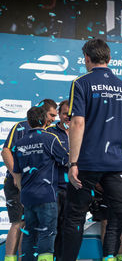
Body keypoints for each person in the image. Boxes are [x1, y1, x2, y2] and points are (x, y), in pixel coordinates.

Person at [63, 38, 122, 261]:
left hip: (87, 161)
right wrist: (118, 151)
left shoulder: (81, 83)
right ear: (109, 59)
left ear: (87, 59)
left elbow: (77, 123)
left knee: (75, 216)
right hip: (116, 162)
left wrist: (73, 162)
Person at [1, 99, 57, 261]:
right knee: (18, 222)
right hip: (17, 185)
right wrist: (17, 177)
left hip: (38, 188)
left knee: (29, 226)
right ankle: (10, 258)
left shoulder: (50, 132)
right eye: (52, 115)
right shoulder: (21, 126)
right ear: (43, 112)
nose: (54, 118)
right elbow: (6, 151)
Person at [13, 106, 69, 261]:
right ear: (45, 120)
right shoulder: (50, 138)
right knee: (47, 232)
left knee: (30, 233)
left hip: (27, 197)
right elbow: (66, 160)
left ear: (29, 122)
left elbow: (16, 173)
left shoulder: (19, 143)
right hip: (46, 194)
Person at [44, 99, 70, 260]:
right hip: (54, 189)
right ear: (59, 114)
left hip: (74, 190)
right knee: (51, 229)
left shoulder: (82, 131)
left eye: (71, 114)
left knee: (68, 231)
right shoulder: (50, 133)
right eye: (65, 113)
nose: (68, 116)